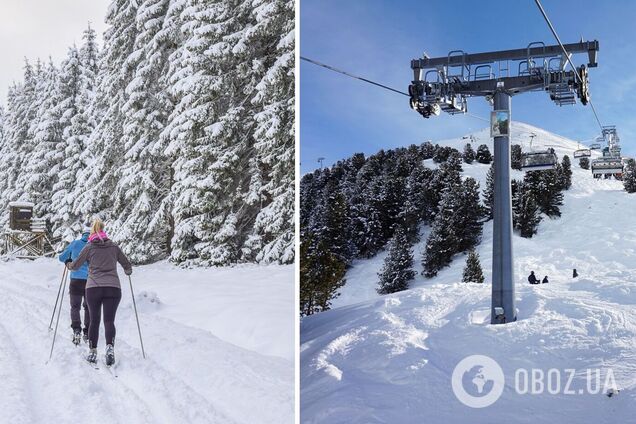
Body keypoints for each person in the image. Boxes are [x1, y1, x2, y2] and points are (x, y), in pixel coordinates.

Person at [67, 218, 132, 366]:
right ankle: (109, 347)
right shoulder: (114, 247)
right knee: (109, 321)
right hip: (113, 288)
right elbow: (126, 264)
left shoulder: (89, 247)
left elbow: (76, 265)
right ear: (104, 231)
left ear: (92, 232)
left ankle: (93, 351)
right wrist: (128, 271)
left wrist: (68, 264)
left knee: (94, 321)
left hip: (93, 288)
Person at [58, 224, 91, 345]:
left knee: (75, 307)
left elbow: (61, 258)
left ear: (83, 234)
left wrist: (68, 260)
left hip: (76, 280)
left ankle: (76, 330)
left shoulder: (76, 243)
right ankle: (87, 332)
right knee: (88, 307)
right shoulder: (94, 245)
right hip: (90, 281)